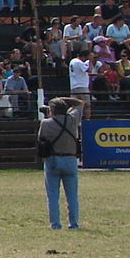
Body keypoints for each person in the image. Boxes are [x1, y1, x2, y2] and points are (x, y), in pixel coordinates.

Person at [37, 96, 85, 230]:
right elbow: (80, 104)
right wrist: (63, 99)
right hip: (70, 159)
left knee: (52, 195)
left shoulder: (46, 123)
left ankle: (55, 224)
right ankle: (74, 223)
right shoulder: (72, 119)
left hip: (53, 159)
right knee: (72, 195)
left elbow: (42, 139)